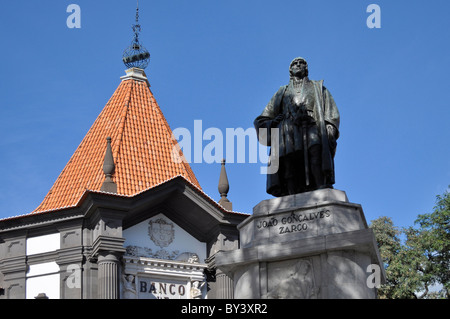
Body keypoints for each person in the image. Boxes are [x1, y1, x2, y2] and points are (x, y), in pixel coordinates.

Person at [254, 57, 340, 196]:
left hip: (312, 125)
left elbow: (331, 111)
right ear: (290, 70)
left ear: (306, 68)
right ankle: (290, 192)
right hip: (287, 130)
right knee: (288, 161)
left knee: (315, 151)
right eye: (295, 64)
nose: (298, 65)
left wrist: (330, 126)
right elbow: (263, 117)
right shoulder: (282, 91)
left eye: (302, 63)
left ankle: (320, 186)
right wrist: (274, 122)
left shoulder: (317, 87)